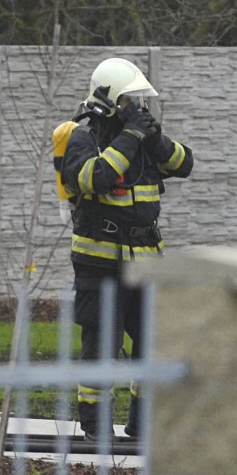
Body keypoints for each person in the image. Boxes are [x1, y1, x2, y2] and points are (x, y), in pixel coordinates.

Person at [59, 57, 193, 441]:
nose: (137, 108)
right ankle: (96, 429)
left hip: (146, 263)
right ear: (109, 99)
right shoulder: (83, 137)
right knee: (103, 345)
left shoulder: (141, 138)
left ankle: (143, 423)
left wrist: (152, 138)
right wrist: (131, 137)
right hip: (99, 263)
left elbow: (184, 163)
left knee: (154, 343)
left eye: (139, 101)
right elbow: (93, 178)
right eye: (130, 100)